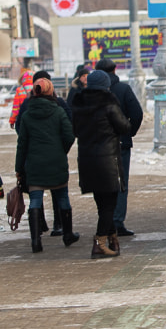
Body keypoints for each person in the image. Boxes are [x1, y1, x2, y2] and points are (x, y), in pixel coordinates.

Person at [71, 70, 130, 258]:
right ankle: (99, 243)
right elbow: (124, 127)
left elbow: (74, 130)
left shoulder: (78, 103)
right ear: (105, 85)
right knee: (109, 205)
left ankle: (113, 240)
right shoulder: (109, 102)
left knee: (102, 204)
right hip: (107, 160)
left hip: (87, 161)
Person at [15, 77, 78, 252]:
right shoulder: (58, 112)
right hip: (56, 162)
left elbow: (22, 144)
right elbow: (69, 136)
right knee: (62, 197)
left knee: (35, 200)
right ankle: (67, 234)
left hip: (34, 165)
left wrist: (19, 168)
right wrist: (60, 150)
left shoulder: (27, 115)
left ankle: (36, 240)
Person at [96, 58, 143, 237]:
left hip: (98, 146)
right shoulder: (123, 89)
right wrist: (129, 132)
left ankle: (105, 220)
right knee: (121, 182)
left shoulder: (91, 93)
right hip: (121, 144)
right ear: (115, 70)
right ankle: (117, 221)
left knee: (102, 183)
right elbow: (137, 113)